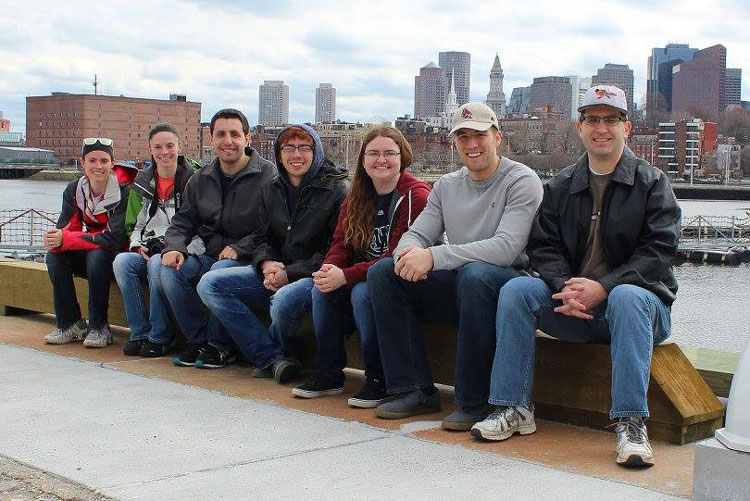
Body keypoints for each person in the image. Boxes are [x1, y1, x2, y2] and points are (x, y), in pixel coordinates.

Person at [471, 85, 680, 468]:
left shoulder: (652, 183)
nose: (602, 128)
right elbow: (543, 247)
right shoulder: (562, 186)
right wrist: (564, 287)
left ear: (626, 127)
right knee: (517, 289)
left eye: (611, 120)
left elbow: (660, 250)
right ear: (580, 128)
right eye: (592, 120)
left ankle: (631, 423)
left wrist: (604, 287)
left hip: (641, 310)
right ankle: (513, 407)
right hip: (575, 308)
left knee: (627, 296)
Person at [367, 104, 543, 427]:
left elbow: (506, 248)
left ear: (498, 137)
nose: (471, 144)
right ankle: (414, 389)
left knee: (475, 276)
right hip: (463, 286)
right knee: (382, 273)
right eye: (463, 136)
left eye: (479, 135)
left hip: (505, 287)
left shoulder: (522, 180)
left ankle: (474, 401)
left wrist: (434, 257)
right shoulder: (447, 185)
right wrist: (407, 255)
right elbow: (417, 234)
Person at [292, 125, 431, 407]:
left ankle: (378, 376)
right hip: (359, 274)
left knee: (362, 293)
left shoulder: (416, 196)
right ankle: (329, 373)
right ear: (363, 159)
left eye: (389, 153)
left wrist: (346, 276)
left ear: (402, 157)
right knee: (322, 288)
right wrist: (330, 269)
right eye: (374, 153)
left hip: (401, 281)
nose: (381, 160)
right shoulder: (356, 195)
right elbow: (341, 243)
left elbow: (395, 257)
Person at [196, 124, 348, 380]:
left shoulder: (337, 191)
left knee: (283, 302)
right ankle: (272, 358)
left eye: (304, 148)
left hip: (315, 276)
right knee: (210, 284)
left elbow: (335, 251)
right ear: (278, 154)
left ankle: (276, 357)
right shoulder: (273, 188)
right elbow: (263, 236)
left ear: (317, 152)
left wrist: (289, 273)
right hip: (276, 271)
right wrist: (266, 263)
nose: (296, 155)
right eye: (288, 148)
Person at [160, 108, 275, 367]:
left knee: (220, 270)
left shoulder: (268, 176)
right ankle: (201, 342)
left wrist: (241, 247)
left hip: (248, 259)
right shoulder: (201, 179)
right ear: (211, 139)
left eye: (235, 134)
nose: (228, 141)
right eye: (221, 134)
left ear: (247, 138)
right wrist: (174, 247)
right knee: (168, 269)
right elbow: (183, 221)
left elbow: (274, 228)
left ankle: (220, 346)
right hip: (210, 255)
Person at [113, 123, 201, 357]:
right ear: (150, 149)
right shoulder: (141, 184)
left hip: (183, 249)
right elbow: (136, 225)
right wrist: (136, 244)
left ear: (179, 147)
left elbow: (201, 226)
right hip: (150, 244)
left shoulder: (195, 181)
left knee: (156, 263)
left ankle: (160, 336)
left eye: (170, 146)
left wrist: (177, 249)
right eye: (158, 147)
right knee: (122, 262)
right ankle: (139, 333)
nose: (165, 152)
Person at [44, 137, 137, 348]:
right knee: (55, 256)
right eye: (92, 160)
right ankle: (70, 323)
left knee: (98, 256)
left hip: (117, 255)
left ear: (112, 163)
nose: (98, 166)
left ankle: (99, 327)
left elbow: (115, 238)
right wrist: (55, 238)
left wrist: (67, 239)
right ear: (82, 162)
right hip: (94, 247)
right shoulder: (74, 190)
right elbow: (68, 228)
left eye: (104, 161)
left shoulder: (125, 191)